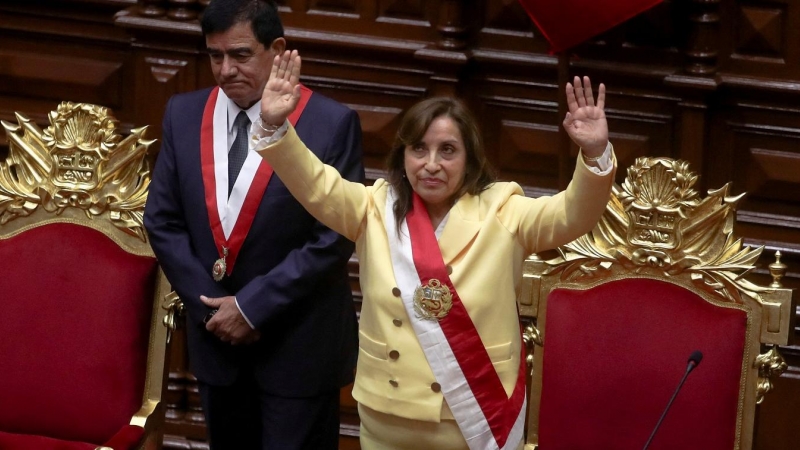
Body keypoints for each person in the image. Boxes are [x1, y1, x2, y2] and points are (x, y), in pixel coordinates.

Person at [252, 50, 615, 450]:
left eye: (447, 150)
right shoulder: (374, 207)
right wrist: (275, 125)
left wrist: (595, 153)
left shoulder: (504, 209)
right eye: (419, 149)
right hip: (386, 415)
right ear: (402, 155)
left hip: (472, 416)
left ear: (469, 157)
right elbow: (315, 184)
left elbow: (572, 215)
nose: (431, 164)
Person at [142, 1, 364, 448]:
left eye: (240, 55)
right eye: (214, 55)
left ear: (276, 49)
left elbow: (334, 237)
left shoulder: (330, 123)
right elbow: (161, 222)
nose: (225, 70)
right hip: (217, 345)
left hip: (298, 347)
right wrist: (216, 311)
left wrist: (251, 308)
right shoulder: (183, 114)